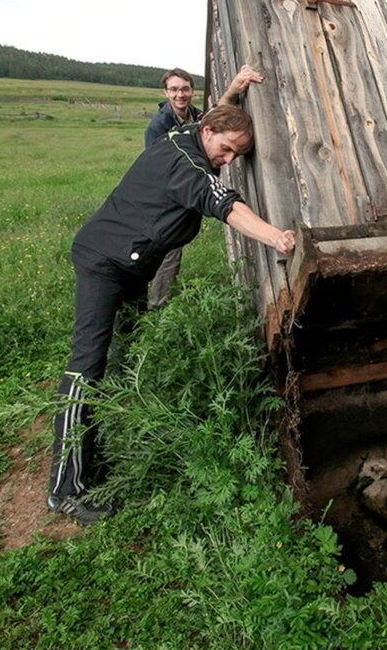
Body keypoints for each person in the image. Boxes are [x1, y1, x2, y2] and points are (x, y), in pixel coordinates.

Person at [48, 103, 294, 525]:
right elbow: (225, 205)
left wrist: (237, 89)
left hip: (129, 268)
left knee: (125, 359)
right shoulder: (185, 163)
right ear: (209, 130)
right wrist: (277, 238)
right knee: (86, 366)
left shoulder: (188, 140)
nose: (230, 160)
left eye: (237, 154)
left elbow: (221, 117)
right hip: (103, 263)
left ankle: (96, 454)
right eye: (228, 148)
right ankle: (64, 489)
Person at [145, 65, 265, 308]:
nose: (181, 94)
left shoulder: (196, 116)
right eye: (174, 90)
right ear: (166, 92)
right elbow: (158, 167)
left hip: (190, 194)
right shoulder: (158, 126)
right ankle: (157, 306)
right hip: (168, 199)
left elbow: (217, 114)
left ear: (192, 90)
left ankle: (157, 300)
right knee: (165, 249)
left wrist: (233, 88)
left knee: (171, 248)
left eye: (185, 89)